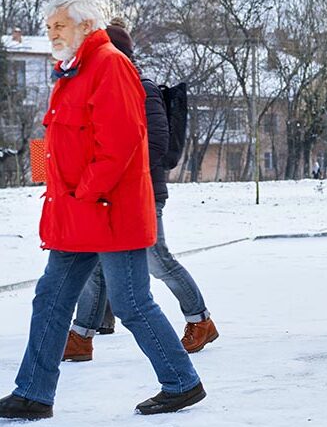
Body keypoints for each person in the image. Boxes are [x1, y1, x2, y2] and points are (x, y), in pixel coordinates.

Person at [0, 0, 204, 420]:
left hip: (111, 211)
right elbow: (59, 146)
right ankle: (33, 394)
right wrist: (65, 199)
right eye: (50, 26)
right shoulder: (70, 72)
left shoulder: (109, 65)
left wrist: (86, 193)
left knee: (130, 302)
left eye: (60, 25)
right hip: (77, 215)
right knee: (51, 299)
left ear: (86, 25)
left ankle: (181, 382)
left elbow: (122, 143)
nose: (52, 33)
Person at [62, 23, 218, 363]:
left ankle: (200, 320)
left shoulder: (141, 87)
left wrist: (115, 166)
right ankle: (81, 336)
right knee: (97, 264)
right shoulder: (110, 86)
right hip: (113, 193)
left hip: (143, 193)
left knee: (156, 260)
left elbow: (158, 144)